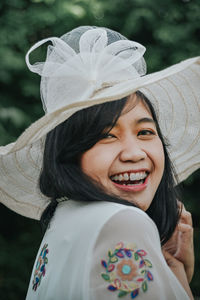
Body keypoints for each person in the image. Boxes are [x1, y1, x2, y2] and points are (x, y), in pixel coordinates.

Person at [0, 26, 199, 299]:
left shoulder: (64, 217)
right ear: (69, 153)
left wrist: (172, 271)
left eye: (145, 132)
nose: (134, 153)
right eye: (106, 136)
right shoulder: (124, 222)